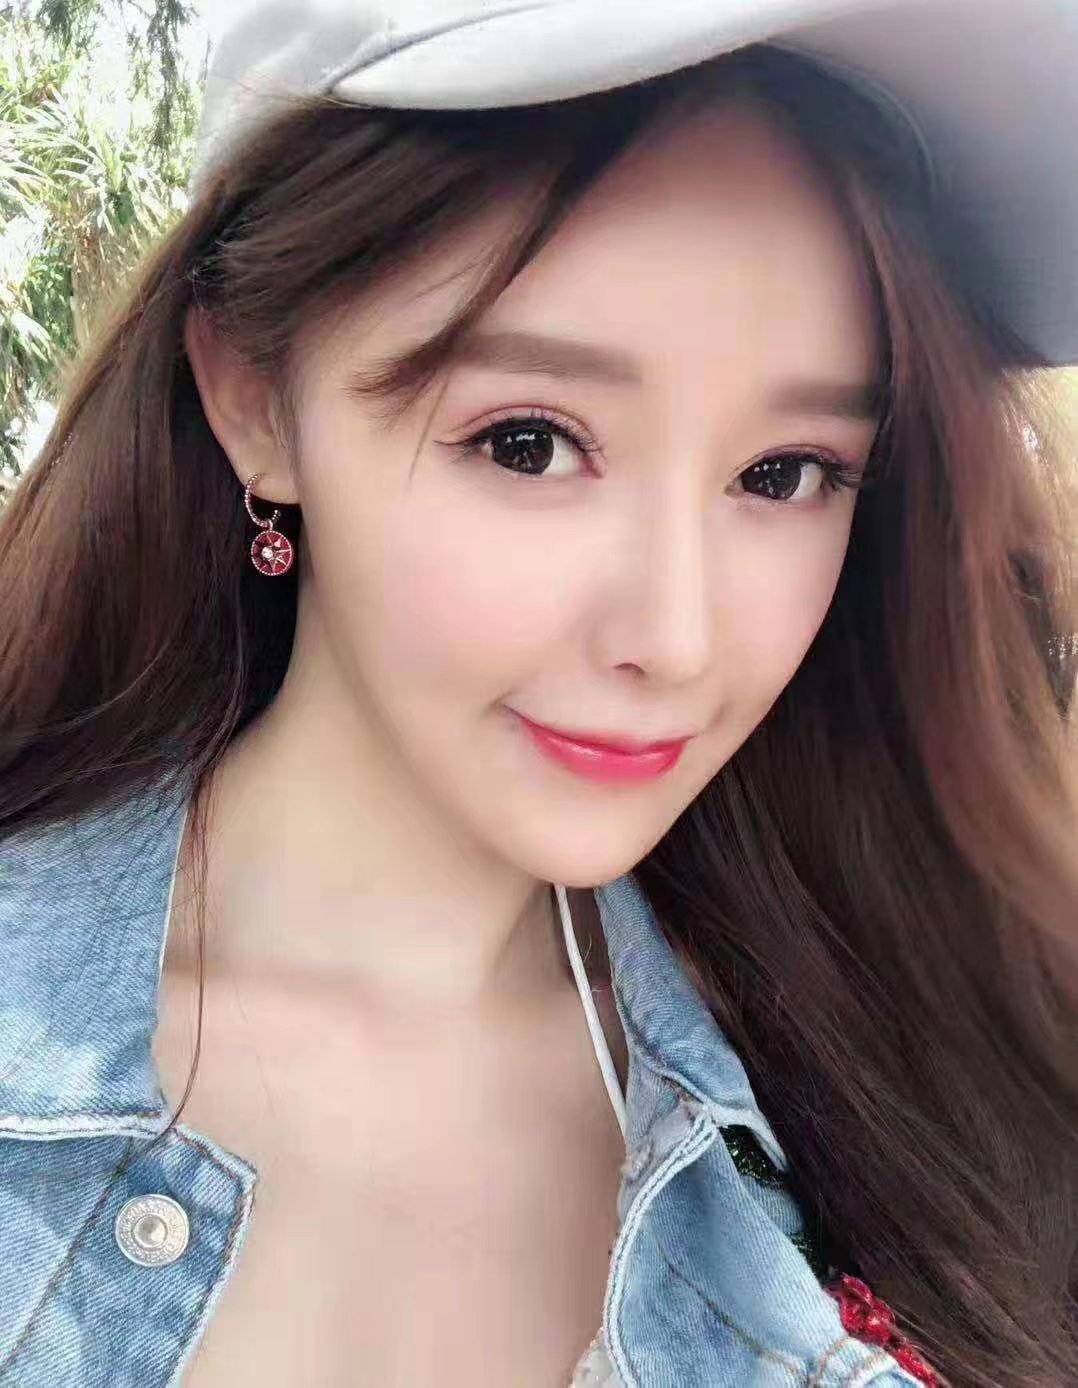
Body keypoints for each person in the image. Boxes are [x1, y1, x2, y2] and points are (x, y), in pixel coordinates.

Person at [1, 2, 1076, 1385]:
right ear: (257, 400)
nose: (674, 639)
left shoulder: (945, 1080)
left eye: (785, 473)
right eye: (529, 443)